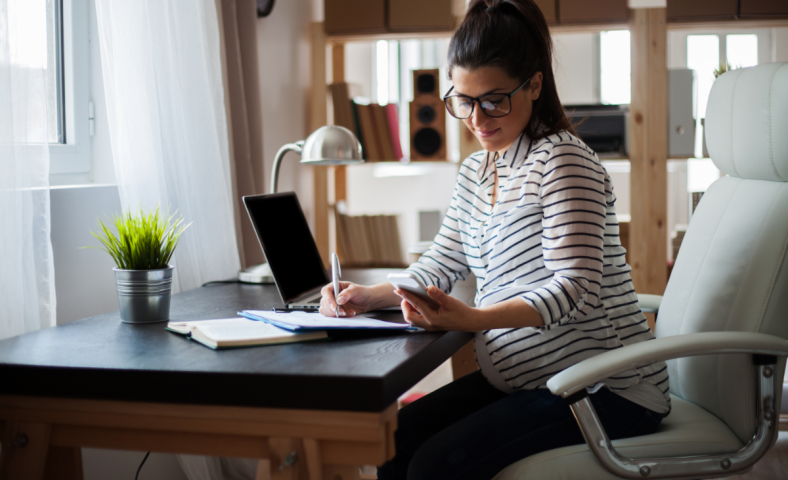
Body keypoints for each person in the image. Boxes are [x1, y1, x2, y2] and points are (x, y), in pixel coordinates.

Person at [319, 1, 670, 478]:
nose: (477, 118)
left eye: (494, 99)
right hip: (529, 382)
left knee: (432, 466)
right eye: (463, 100)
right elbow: (442, 261)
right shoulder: (477, 171)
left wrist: (476, 318)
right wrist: (368, 295)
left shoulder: (563, 162)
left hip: (604, 390)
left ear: (536, 85)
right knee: (395, 442)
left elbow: (576, 290)